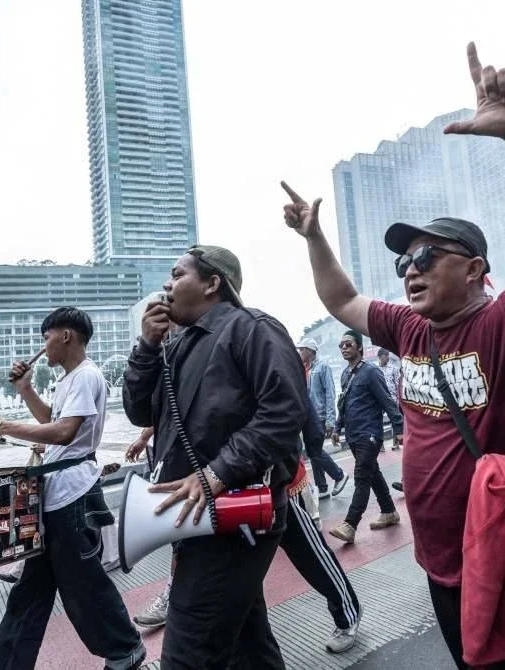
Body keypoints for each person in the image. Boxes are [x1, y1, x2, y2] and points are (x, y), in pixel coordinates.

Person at [281, 43, 505, 669]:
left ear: (475, 269)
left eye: (427, 256)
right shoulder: (407, 328)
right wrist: (316, 237)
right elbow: (343, 298)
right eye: (404, 262)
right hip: (443, 561)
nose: (410, 270)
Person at [123, 245, 306, 669]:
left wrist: (215, 474)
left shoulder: (253, 329)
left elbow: (284, 412)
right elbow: (138, 412)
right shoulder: (179, 345)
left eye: (177, 274)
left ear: (212, 283)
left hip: (233, 513)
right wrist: (147, 348)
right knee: (247, 644)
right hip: (201, 516)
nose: (166, 285)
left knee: (188, 652)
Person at [0, 307, 145, 670]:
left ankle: (125, 648)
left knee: (83, 584)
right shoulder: (69, 379)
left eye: (46, 337)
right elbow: (52, 420)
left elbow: (64, 433)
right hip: (57, 494)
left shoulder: (85, 375)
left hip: (73, 496)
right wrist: (26, 389)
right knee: (32, 589)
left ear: (65, 335)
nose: (43, 346)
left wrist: (3, 425)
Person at [129, 398, 365, 654]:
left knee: (308, 551)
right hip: (220, 482)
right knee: (242, 578)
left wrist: (297, 456)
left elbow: (286, 406)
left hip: (266, 482)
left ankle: (347, 612)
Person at [328, 329, 404, 544]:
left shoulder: (371, 373)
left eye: (348, 344)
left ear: (360, 347)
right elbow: (342, 405)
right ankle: (389, 511)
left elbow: (388, 402)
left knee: (362, 476)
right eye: (341, 345)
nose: (344, 348)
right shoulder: (345, 375)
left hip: (370, 434)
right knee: (373, 473)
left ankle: (350, 524)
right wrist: (336, 428)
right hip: (352, 435)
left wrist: (399, 429)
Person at [297, 338, 349, 498]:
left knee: (315, 451)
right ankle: (322, 487)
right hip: (308, 416)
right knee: (313, 451)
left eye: (302, 349)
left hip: (319, 415)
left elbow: (330, 393)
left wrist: (330, 420)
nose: (300, 353)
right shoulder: (304, 369)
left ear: (311, 351)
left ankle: (339, 475)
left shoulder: (322, 367)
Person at [376, 347, 403, 451]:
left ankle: (396, 443)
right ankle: (380, 445)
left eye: (388, 355)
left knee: (394, 420)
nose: (387, 358)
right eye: (385, 355)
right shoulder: (376, 370)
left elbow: (398, 384)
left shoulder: (394, 368)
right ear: (380, 357)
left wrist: (399, 399)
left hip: (392, 399)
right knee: (378, 421)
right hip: (379, 399)